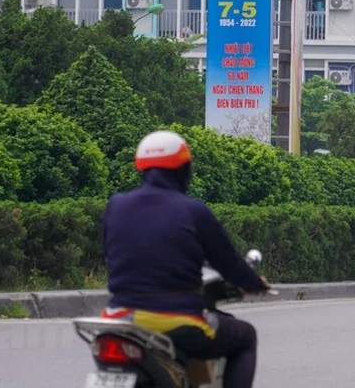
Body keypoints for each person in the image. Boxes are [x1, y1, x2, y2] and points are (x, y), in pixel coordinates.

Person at [100, 130, 269, 388]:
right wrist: (255, 284)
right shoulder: (194, 212)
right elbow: (230, 264)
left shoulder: (115, 205)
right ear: (183, 171)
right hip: (177, 322)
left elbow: (111, 255)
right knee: (246, 337)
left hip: (120, 319)